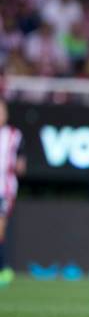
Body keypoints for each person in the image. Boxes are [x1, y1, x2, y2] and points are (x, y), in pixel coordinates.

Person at [0, 101, 26, 286]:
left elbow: (21, 165)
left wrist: (17, 167)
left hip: (4, 189)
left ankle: (4, 268)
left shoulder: (14, 135)